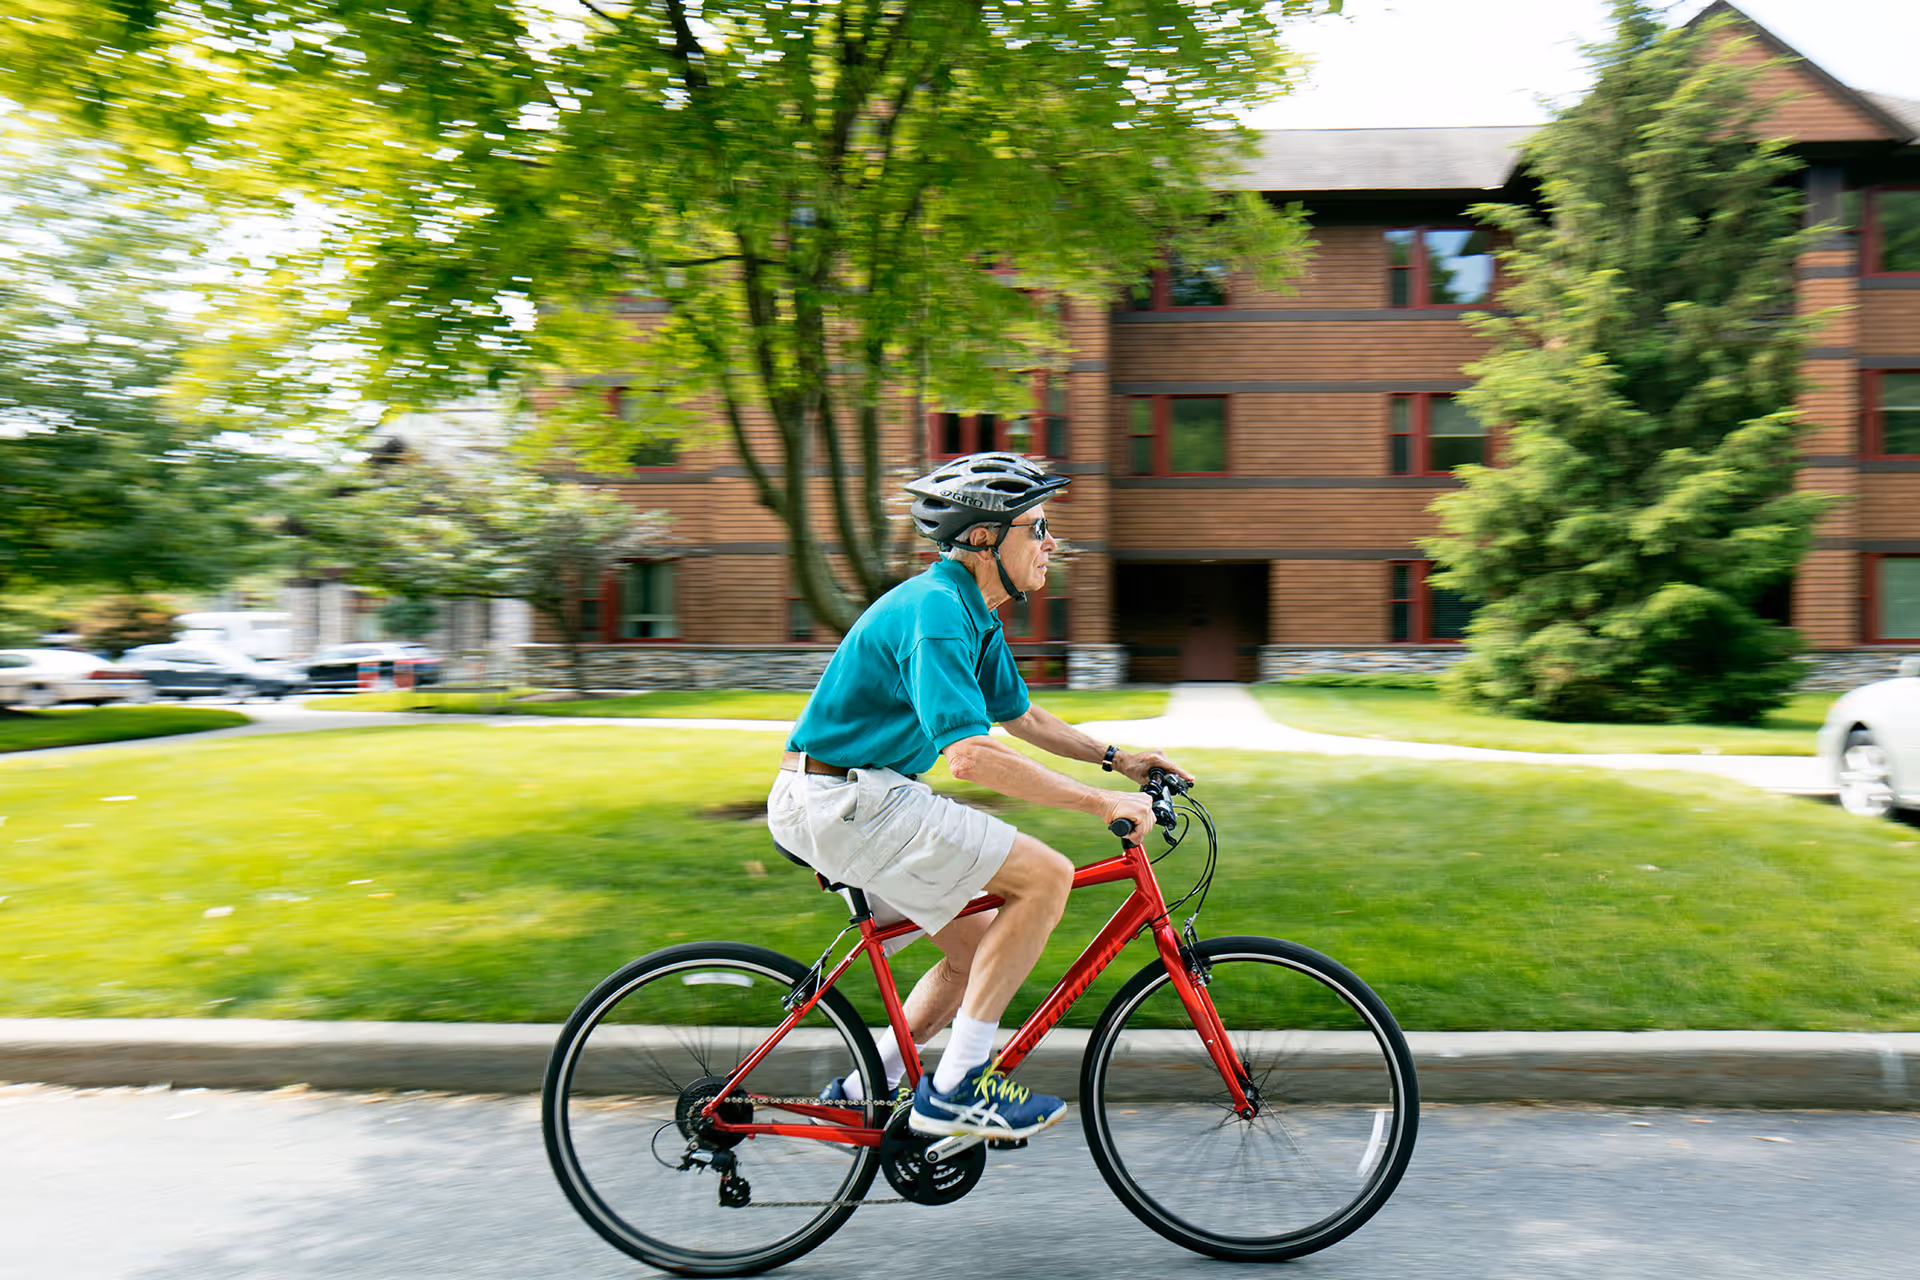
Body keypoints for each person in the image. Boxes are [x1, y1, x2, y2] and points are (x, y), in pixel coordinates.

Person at [766, 452, 1194, 1143]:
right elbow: (968, 755)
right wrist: (1096, 804)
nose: (1052, 542)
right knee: (1046, 876)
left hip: (862, 795)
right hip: (841, 799)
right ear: (985, 538)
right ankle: (958, 1086)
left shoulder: (972, 612)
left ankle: (859, 1091)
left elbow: (1022, 719)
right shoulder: (936, 610)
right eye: (1038, 526)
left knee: (976, 953)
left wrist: (1122, 761)